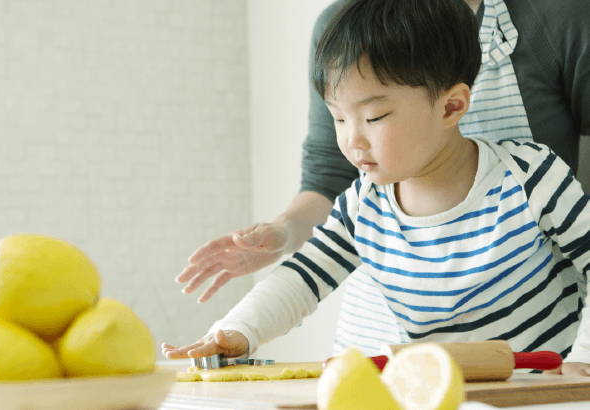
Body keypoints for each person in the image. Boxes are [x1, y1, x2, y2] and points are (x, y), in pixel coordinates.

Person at [164, 0, 590, 376]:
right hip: (423, 386)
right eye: (339, 118)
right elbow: (302, 277)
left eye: (375, 117)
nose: (352, 140)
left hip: (534, 390)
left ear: (452, 105)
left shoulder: (532, 176)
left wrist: (582, 362)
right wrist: (237, 332)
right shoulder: (364, 203)